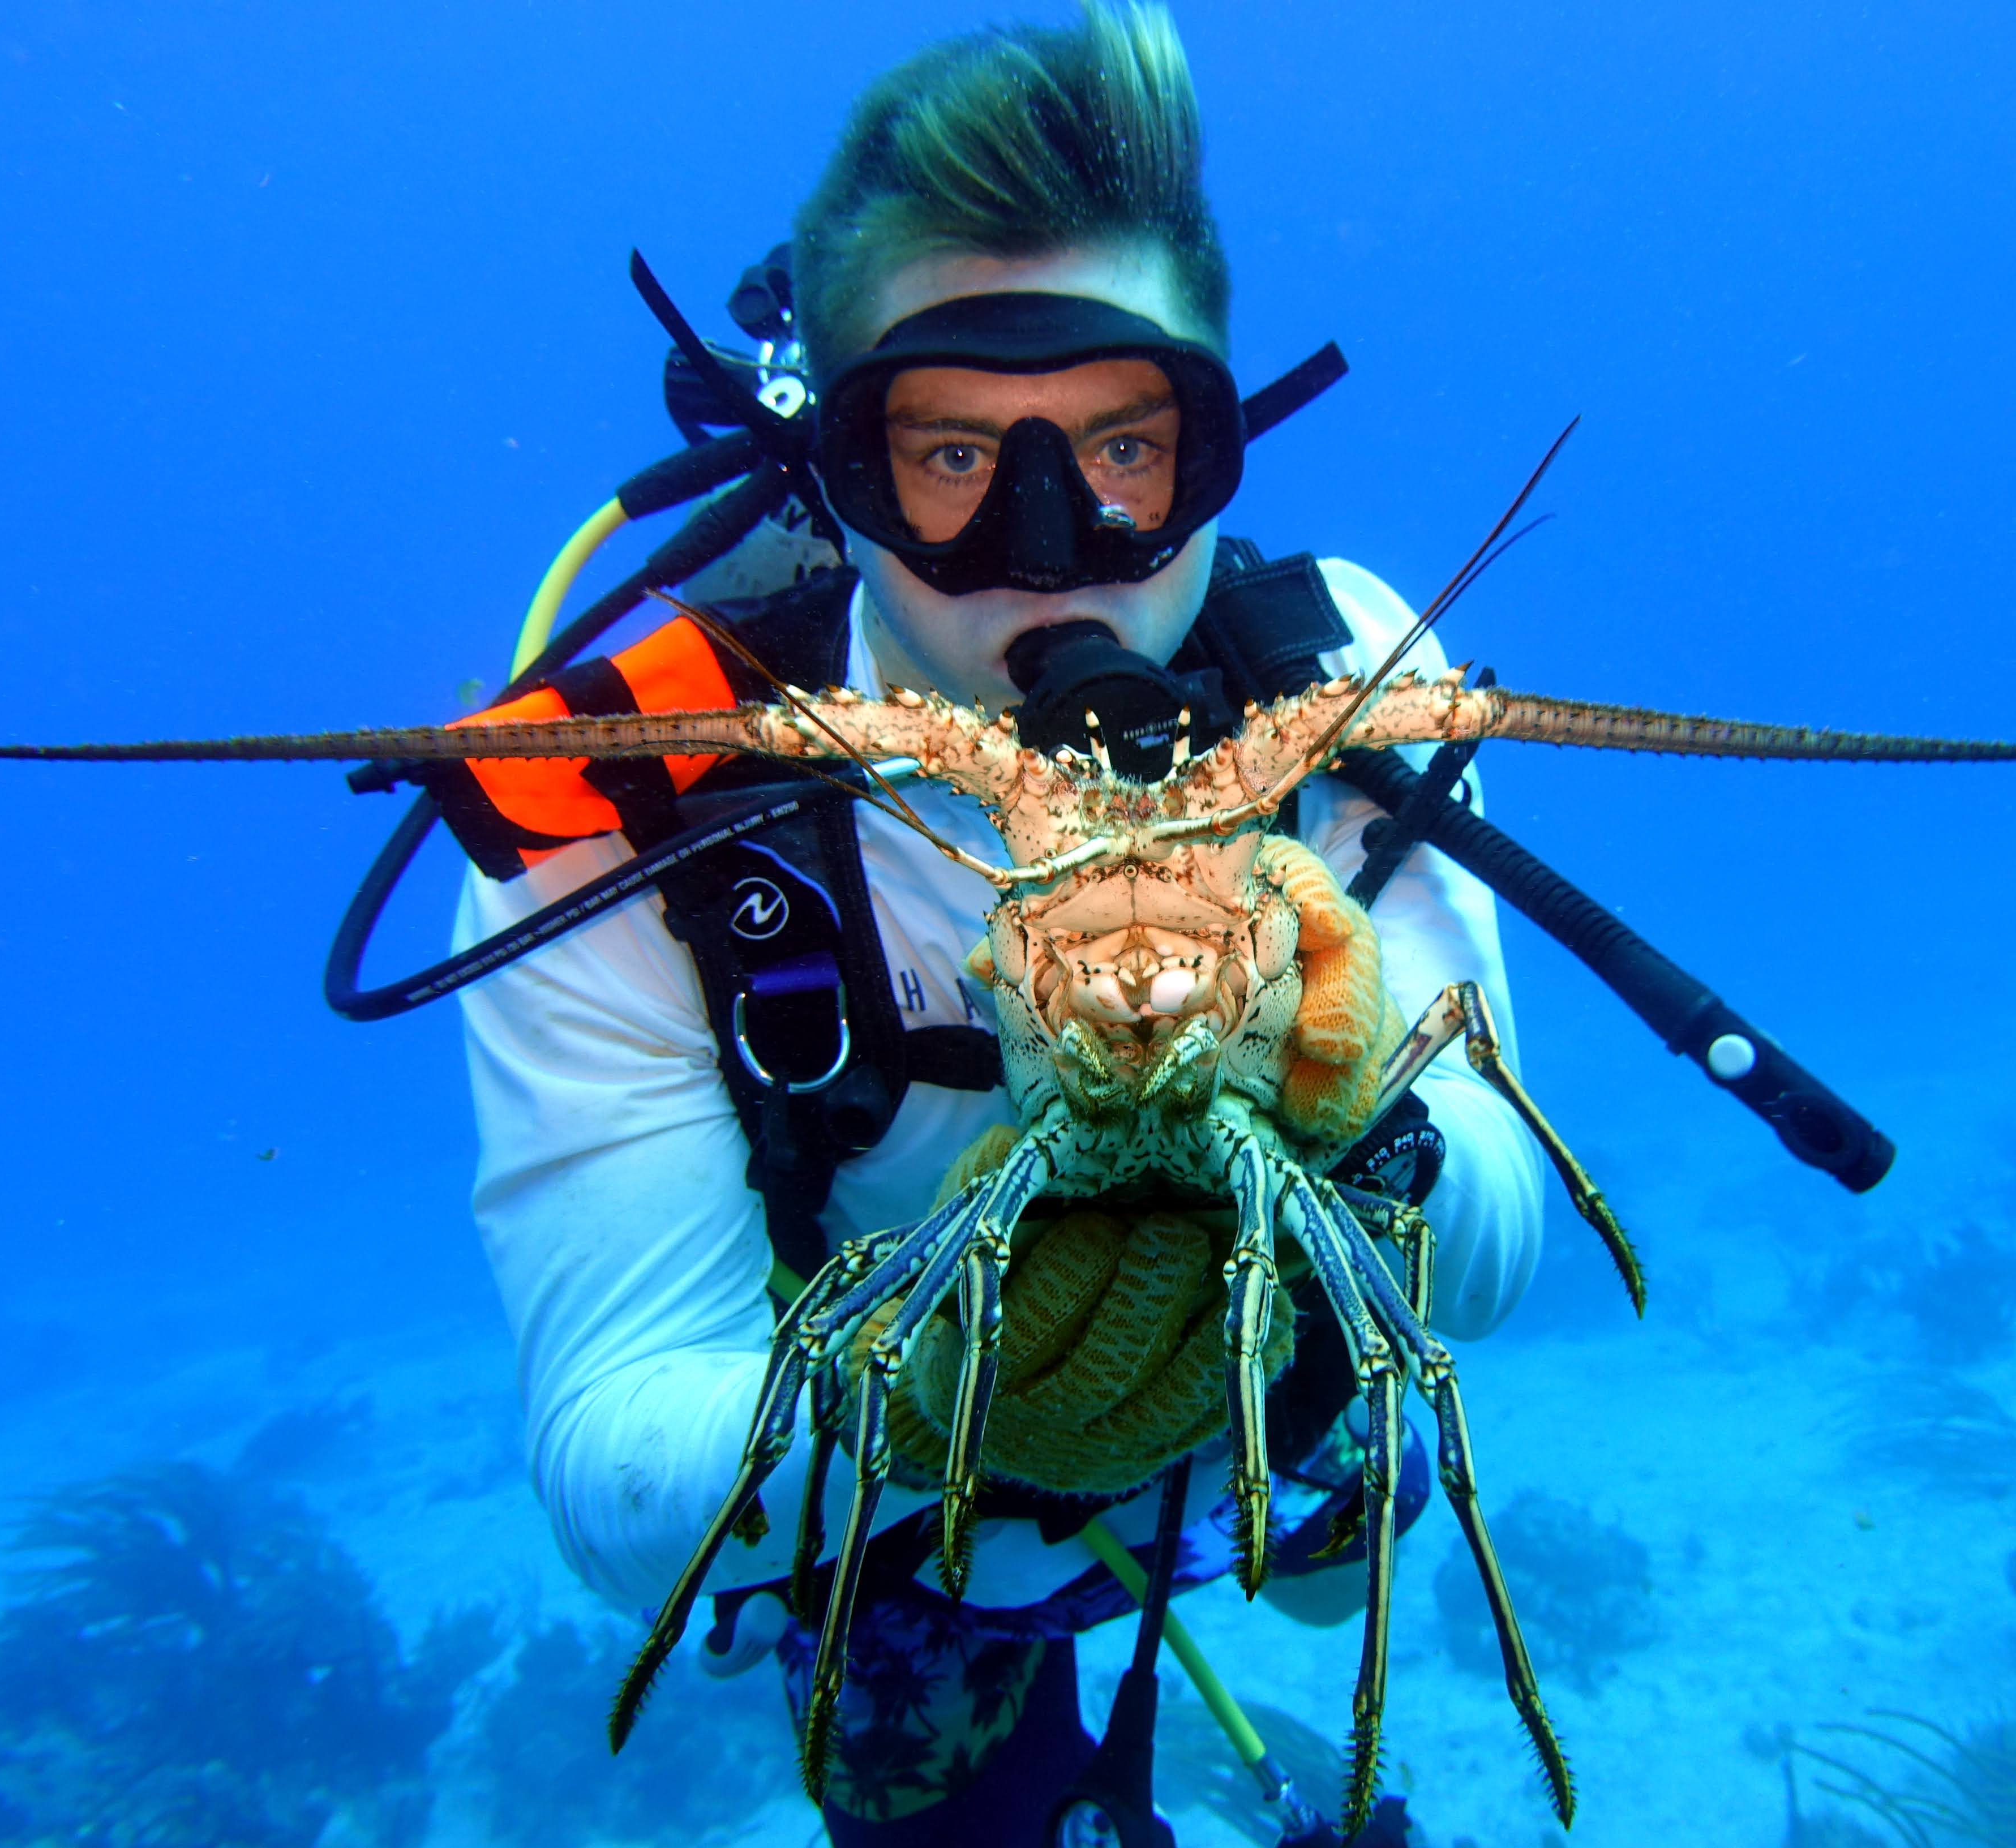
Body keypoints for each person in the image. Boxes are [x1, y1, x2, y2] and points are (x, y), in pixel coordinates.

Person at [447, 6, 1544, 1840]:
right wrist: (938, 1385)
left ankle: (1307, 1629)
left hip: (1283, 1362)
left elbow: (1500, 1230)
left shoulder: (1339, 682)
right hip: (905, 1512)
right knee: (926, 1790)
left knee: (1348, 1541)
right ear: (836, 467)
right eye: (953, 456)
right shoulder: (619, 816)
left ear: (1213, 439)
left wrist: (1369, 1123)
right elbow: (608, 1468)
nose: (1053, 546)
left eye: (1124, 447)